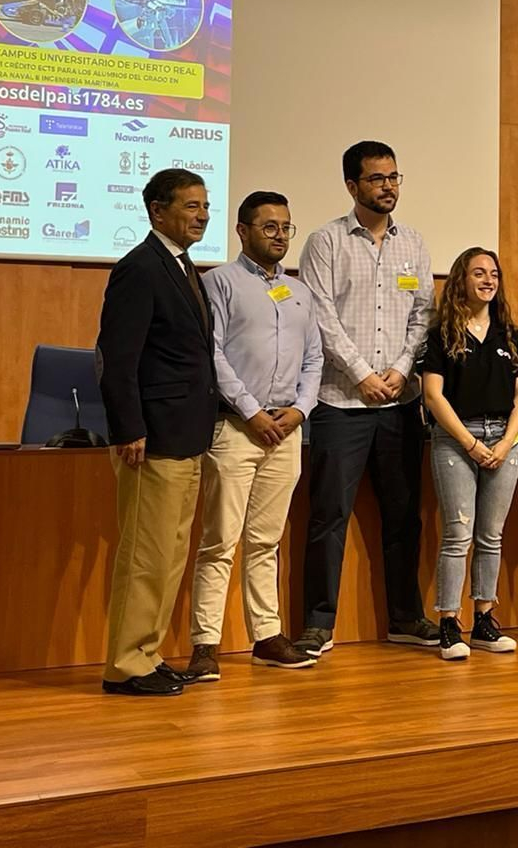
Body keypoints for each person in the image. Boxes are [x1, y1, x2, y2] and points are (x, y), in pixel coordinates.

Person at [295, 141, 437, 657]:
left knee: (404, 517)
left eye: (394, 177)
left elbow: (423, 315)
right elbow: (320, 317)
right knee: (328, 516)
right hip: (341, 403)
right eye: (377, 179)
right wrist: (361, 375)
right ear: (352, 186)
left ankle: (405, 617)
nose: (388, 186)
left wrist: (399, 370)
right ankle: (318, 623)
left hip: (399, 404)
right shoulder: (325, 242)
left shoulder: (414, 243)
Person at [184, 193, 322, 679]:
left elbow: (314, 358)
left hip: (285, 431)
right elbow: (212, 354)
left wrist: (300, 410)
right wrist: (252, 411)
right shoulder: (218, 282)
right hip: (236, 428)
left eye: (286, 227)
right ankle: (205, 645)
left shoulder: (300, 291)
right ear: (242, 231)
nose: (280, 235)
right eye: (269, 227)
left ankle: (266, 637)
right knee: (219, 541)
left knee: (266, 541)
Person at [96, 168, 218, 696]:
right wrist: (129, 429)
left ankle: (148, 653)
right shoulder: (140, 268)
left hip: (187, 435)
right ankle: (125, 665)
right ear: (157, 211)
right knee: (145, 557)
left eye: (205, 206)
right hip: (153, 438)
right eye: (191, 206)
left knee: (169, 556)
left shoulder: (183, 266)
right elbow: (116, 358)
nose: (202, 215)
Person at [420, 248, 518, 660]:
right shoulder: (442, 334)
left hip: (504, 440)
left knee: (491, 535)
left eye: (494, 274)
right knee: (458, 533)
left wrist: (505, 442)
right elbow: (433, 396)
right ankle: (449, 624)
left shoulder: (510, 334)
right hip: (456, 440)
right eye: (479, 273)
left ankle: (484, 619)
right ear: (461, 280)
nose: (488, 280)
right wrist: (470, 443)